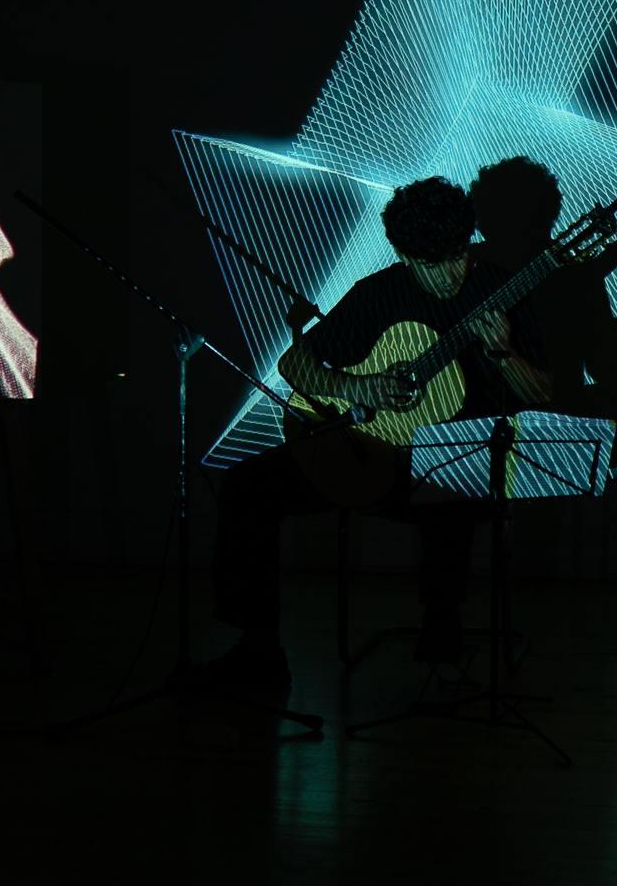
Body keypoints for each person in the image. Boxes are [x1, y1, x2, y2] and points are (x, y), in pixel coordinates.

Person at [207, 177, 551, 691]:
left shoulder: (501, 290)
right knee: (244, 486)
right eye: (433, 264)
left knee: (449, 482)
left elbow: (543, 393)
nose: (451, 275)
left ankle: (442, 630)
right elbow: (295, 362)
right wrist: (356, 386)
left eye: (459, 255)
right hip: (366, 454)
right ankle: (259, 649)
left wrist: (503, 353)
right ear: (405, 255)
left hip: (456, 466)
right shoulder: (380, 293)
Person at [469, 156, 617, 395]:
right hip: (559, 411)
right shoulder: (577, 273)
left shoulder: (465, 266)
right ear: (548, 210)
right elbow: (606, 370)